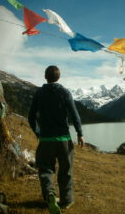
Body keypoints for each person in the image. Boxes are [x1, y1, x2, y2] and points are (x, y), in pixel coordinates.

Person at [28, 65, 84, 214]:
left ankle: (50, 194)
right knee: (66, 170)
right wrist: (79, 133)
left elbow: (31, 116)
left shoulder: (39, 93)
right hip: (64, 138)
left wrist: (38, 132)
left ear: (45, 77)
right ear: (58, 77)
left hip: (46, 139)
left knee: (45, 169)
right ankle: (67, 200)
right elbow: (74, 114)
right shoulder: (65, 92)